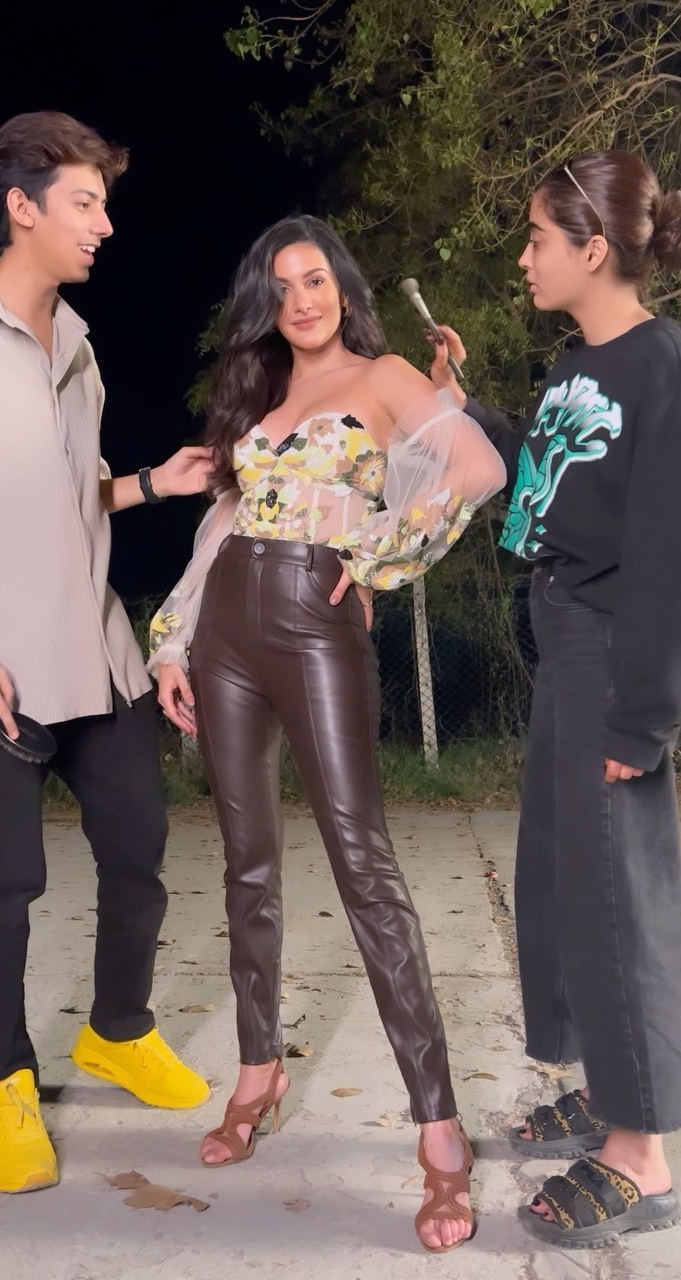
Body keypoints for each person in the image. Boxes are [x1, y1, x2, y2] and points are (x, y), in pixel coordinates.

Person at [148, 213, 505, 1252]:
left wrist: (380, 550)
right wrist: (172, 638)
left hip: (316, 622)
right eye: (280, 285)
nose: (300, 299)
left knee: (364, 863)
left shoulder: (384, 376)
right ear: (264, 303)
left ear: (342, 287)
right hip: (227, 629)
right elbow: (224, 519)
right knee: (246, 863)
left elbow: (473, 466)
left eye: (314, 279)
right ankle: (259, 1069)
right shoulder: (259, 394)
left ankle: (439, 1131)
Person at [429, 150, 681, 1248]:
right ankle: (610, 1092)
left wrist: (645, 714)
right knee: (567, 880)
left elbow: (667, 552)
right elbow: (544, 476)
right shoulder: (580, 365)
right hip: (567, 641)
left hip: (614, 653)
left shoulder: (661, 365)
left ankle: (642, 1154)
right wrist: (465, 407)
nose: (524, 256)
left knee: (620, 895)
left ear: (594, 248)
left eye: (537, 238)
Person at [0, 111, 214, 1196]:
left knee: (140, 846)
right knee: (3, 882)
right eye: (85, 203)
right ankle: (3, 1080)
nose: (105, 225)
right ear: (21, 207)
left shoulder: (78, 340)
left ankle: (117, 1029)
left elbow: (68, 494)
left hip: (97, 652)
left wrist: (154, 483)